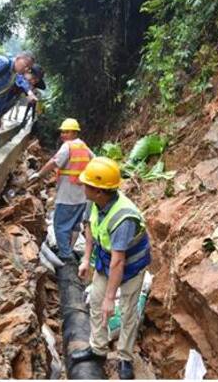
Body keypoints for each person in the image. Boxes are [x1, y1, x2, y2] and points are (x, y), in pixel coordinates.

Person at [71, 157, 151, 380]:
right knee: (96, 301)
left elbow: (120, 262)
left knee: (126, 311)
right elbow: (89, 229)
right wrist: (86, 259)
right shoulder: (94, 202)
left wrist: (110, 298)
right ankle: (98, 350)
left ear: (99, 191)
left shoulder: (123, 217)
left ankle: (125, 357)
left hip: (131, 266)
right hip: (107, 260)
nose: (82, 186)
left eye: (87, 184)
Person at [28, 118, 94, 262]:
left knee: (60, 225)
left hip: (68, 196)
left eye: (66, 131)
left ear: (74, 132)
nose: (63, 134)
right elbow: (94, 161)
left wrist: (39, 174)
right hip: (82, 195)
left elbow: (54, 162)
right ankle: (69, 250)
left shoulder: (67, 146)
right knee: (75, 225)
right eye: (62, 131)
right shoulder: (83, 146)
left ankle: (65, 256)